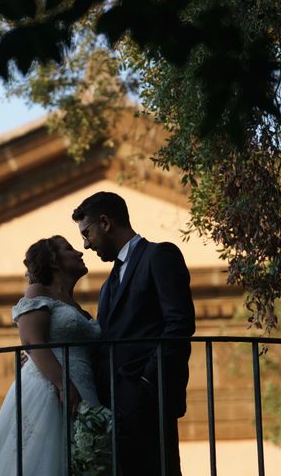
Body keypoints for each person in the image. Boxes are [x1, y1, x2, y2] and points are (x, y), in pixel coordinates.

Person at [72, 191, 196, 476]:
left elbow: (179, 324)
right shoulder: (107, 285)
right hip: (112, 407)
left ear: (105, 223)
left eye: (86, 232)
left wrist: (147, 380)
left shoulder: (159, 255)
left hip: (149, 402)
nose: (86, 244)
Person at [0, 235, 105, 475]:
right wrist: (63, 384)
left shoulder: (75, 307)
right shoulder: (38, 291)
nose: (80, 252)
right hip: (51, 388)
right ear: (54, 261)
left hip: (85, 387)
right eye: (69, 249)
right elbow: (33, 341)